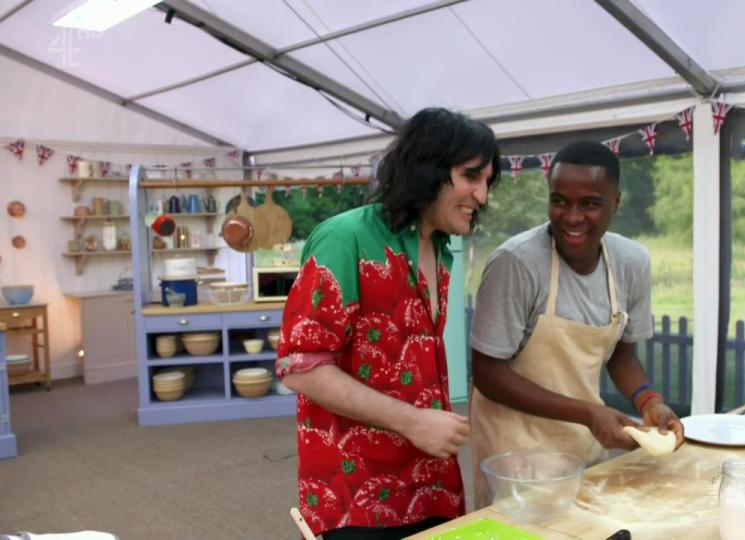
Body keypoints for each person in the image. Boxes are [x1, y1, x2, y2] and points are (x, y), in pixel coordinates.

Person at [277, 107, 501, 538]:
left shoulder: (442, 249)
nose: (483, 195)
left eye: (488, 181)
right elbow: (300, 367)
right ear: (427, 168)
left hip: (432, 485)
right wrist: (413, 421)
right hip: (356, 497)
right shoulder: (345, 238)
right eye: (472, 177)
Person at [468, 140, 684, 506]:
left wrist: (650, 401)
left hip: (583, 445)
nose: (571, 217)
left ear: (615, 203)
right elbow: (488, 373)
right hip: (513, 454)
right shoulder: (516, 263)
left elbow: (621, 354)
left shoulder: (631, 263)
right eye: (559, 200)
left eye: (590, 204)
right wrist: (587, 412)